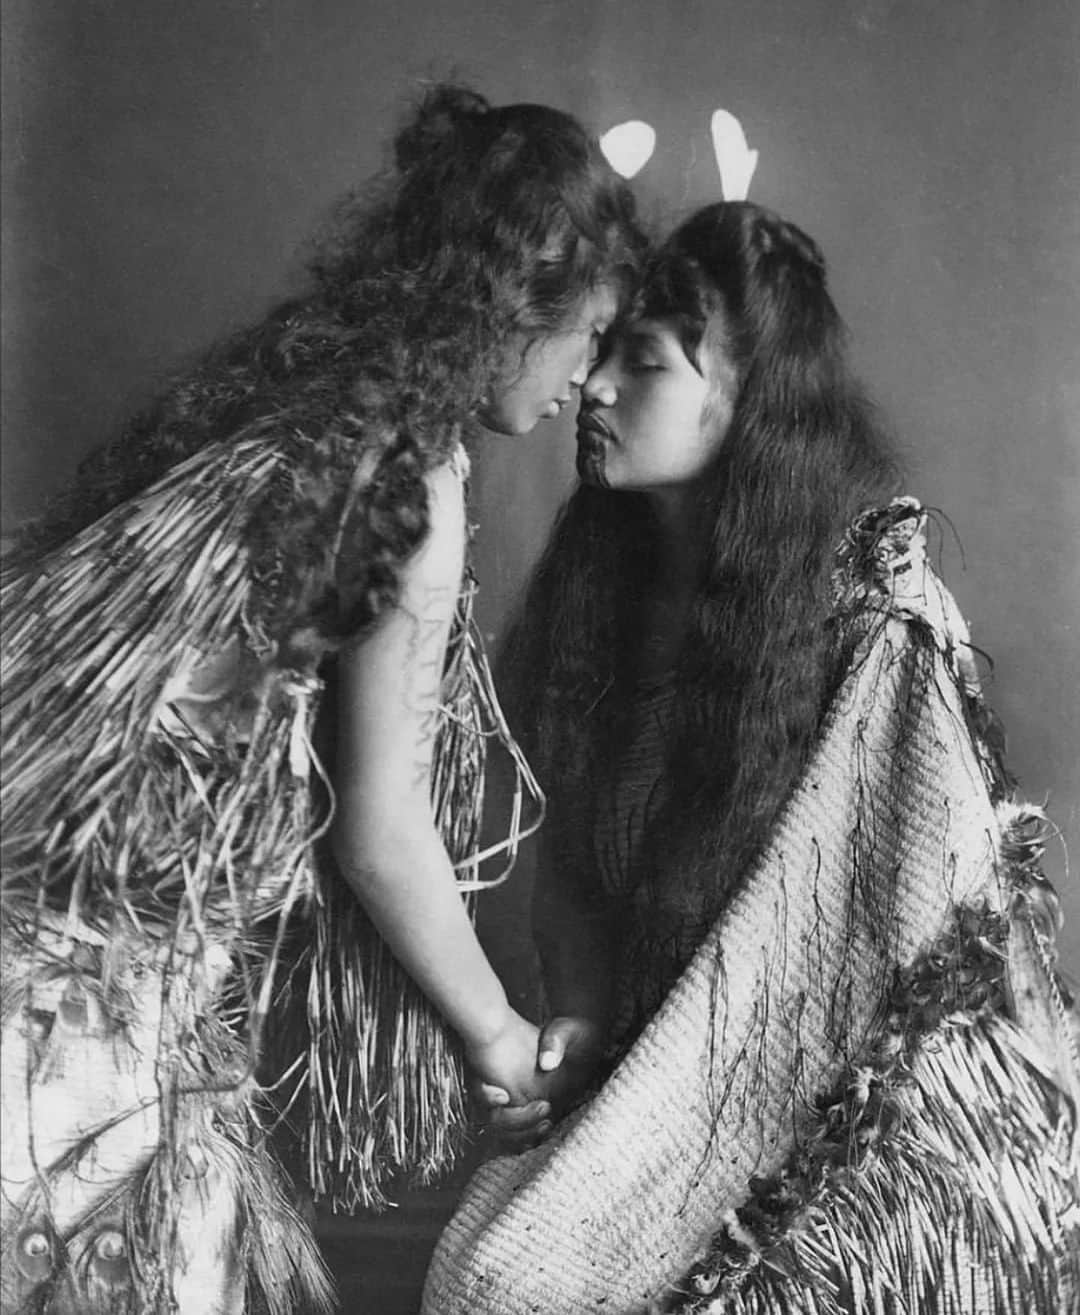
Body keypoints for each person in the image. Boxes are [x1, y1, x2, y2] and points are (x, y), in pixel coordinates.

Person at [0, 83, 644, 1313]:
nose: (587, 381)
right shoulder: (414, 480)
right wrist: (500, 1038)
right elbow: (380, 827)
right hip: (87, 992)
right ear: (520, 310)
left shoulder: (310, 402)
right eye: (591, 335)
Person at [423, 202, 1080, 1314]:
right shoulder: (602, 608)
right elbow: (579, 882)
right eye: (597, 356)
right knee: (481, 1270)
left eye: (645, 363)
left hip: (848, 1126)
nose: (593, 391)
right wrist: (578, 1017)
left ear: (751, 398)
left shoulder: (876, 616)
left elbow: (906, 948)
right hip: (657, 1096)